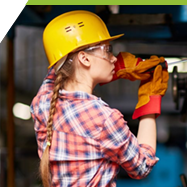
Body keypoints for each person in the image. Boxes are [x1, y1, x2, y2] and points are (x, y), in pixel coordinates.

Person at [30, 10, 169, 187]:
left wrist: (115, 67)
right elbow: (141, 166)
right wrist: (150, 97)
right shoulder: (104, 118)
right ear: (84, 58)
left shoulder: (42, 103)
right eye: (108, 50)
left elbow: (57, 72)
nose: (113, 58)